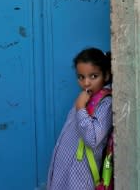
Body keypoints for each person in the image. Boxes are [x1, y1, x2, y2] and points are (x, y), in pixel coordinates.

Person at [47, 47, 113, 190]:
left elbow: (92, 138)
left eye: (93, 76)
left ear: (106, 76)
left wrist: (81, 108)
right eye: (81, 77)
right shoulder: (84, 98)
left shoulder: (105, 103)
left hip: (79, 178)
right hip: (64, 173)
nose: (86, 83)